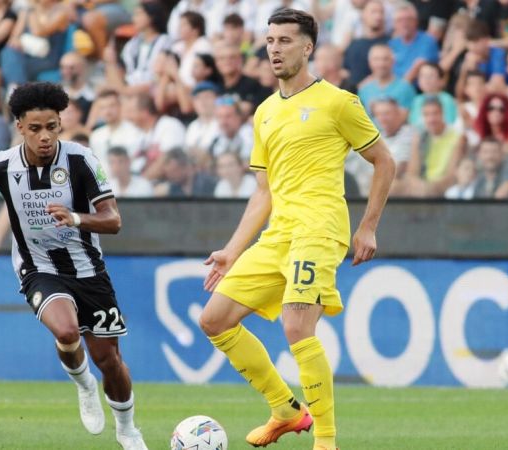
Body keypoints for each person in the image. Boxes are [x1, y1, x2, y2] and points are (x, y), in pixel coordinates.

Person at [198, 9, 395, 450]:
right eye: (270, 41)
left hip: (320, 231)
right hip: (278, 236)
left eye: (285, 41)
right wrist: (232, 250)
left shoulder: (338, 102)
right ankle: (285, 411)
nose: (274, 49)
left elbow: (384, 160)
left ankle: (325, 441)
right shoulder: (265, 112)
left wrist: (368, 227)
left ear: (308, 48)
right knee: (214, 320)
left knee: (296, 326)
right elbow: (263, 192)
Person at [0, 82, 148, 450]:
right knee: (66, 332)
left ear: (60, 124)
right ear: (20, 127)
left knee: (109, 360)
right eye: (35, 128)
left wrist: (76, 218)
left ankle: (127, 429)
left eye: (51, 127)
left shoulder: (81, 160)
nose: (45, 136)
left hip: (88, 270)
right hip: (38, 268)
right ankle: (84, 385)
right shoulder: (1, 164)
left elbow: (113, 220)